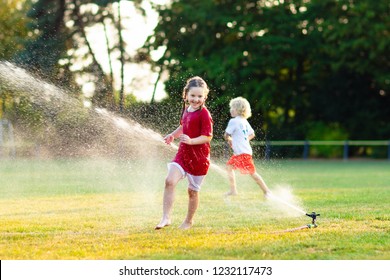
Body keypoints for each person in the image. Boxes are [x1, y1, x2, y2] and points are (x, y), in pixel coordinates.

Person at [155, 76, 213, 230]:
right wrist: (172, 135)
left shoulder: (204, 114)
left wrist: (192, 141)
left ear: (205, 96)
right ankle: (166, 217)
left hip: (199, 158)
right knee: (169, 181)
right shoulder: (186, 109)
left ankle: (188, 221)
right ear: (186, 94)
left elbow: (208, 136)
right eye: (193, 96)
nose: (196, 99)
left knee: (192, 192)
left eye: (200, 96)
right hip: (183, 154)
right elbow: (183, 127)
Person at [224, 97, 271, 198]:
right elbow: (252, 134)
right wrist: (243, 141)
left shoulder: (234, 121)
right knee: (229, 167)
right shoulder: (244, 121)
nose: (231, 110)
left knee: (252, 173)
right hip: (241, 153)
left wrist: (230, 140)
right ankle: (233, 190)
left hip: (242, 153)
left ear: (238, 110)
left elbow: (226, 135)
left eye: (232, 108)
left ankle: (267, 191)